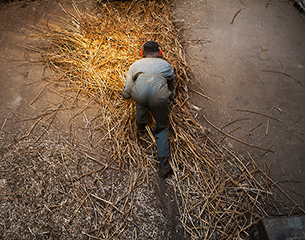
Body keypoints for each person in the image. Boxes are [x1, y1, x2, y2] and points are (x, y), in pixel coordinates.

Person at [122, 41, 175, 175]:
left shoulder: (136, 65)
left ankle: (141, 126)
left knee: (141, 101)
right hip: (159, 97)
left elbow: (128, 88)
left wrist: (126, 95)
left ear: (142, 53)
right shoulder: (166, 65)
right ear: (160, 53)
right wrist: (171, 96)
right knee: (162, 127)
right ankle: (163, 165)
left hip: (140, 95)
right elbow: (171, 86)